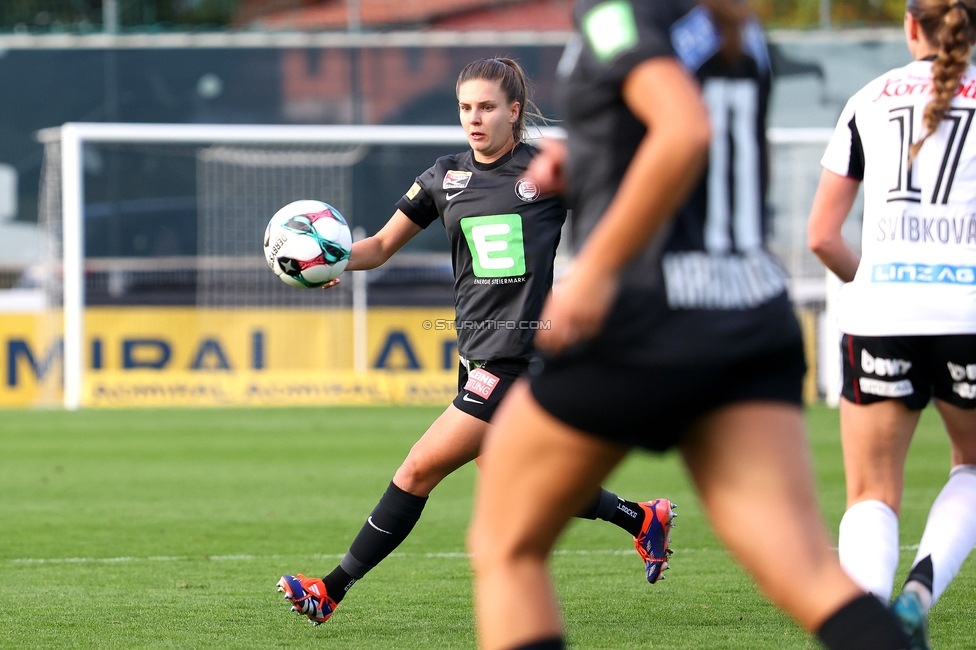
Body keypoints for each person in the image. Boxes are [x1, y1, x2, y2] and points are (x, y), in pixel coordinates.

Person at [467, 2, 918, 649]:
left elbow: (684, 132)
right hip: (748, 316)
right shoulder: (730, 20)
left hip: (644, 317)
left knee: (506, 545)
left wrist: (594, 270)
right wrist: (593, 166)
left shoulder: (618, 15)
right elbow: (705, 153)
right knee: (811, 573)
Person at [275, 57, 675, 627]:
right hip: (476, 357)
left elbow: (623, 218)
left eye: (487, 107)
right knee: (524, 480)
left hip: (519, 358)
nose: (475, 118)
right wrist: (332, 259)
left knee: (417, 471)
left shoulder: (549, 170)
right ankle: (644, 519)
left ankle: (329, 590)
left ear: (514, 111)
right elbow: (383, 245)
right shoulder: (444, 177)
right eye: (466, 108)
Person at [808, 1, 976, 648]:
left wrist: (873, 282)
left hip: (880, 310)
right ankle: (918, 594)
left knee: (870, 491)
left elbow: (821, 236)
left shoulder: (867, 99)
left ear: (911, 26)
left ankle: (865, 630)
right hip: (967, 310)